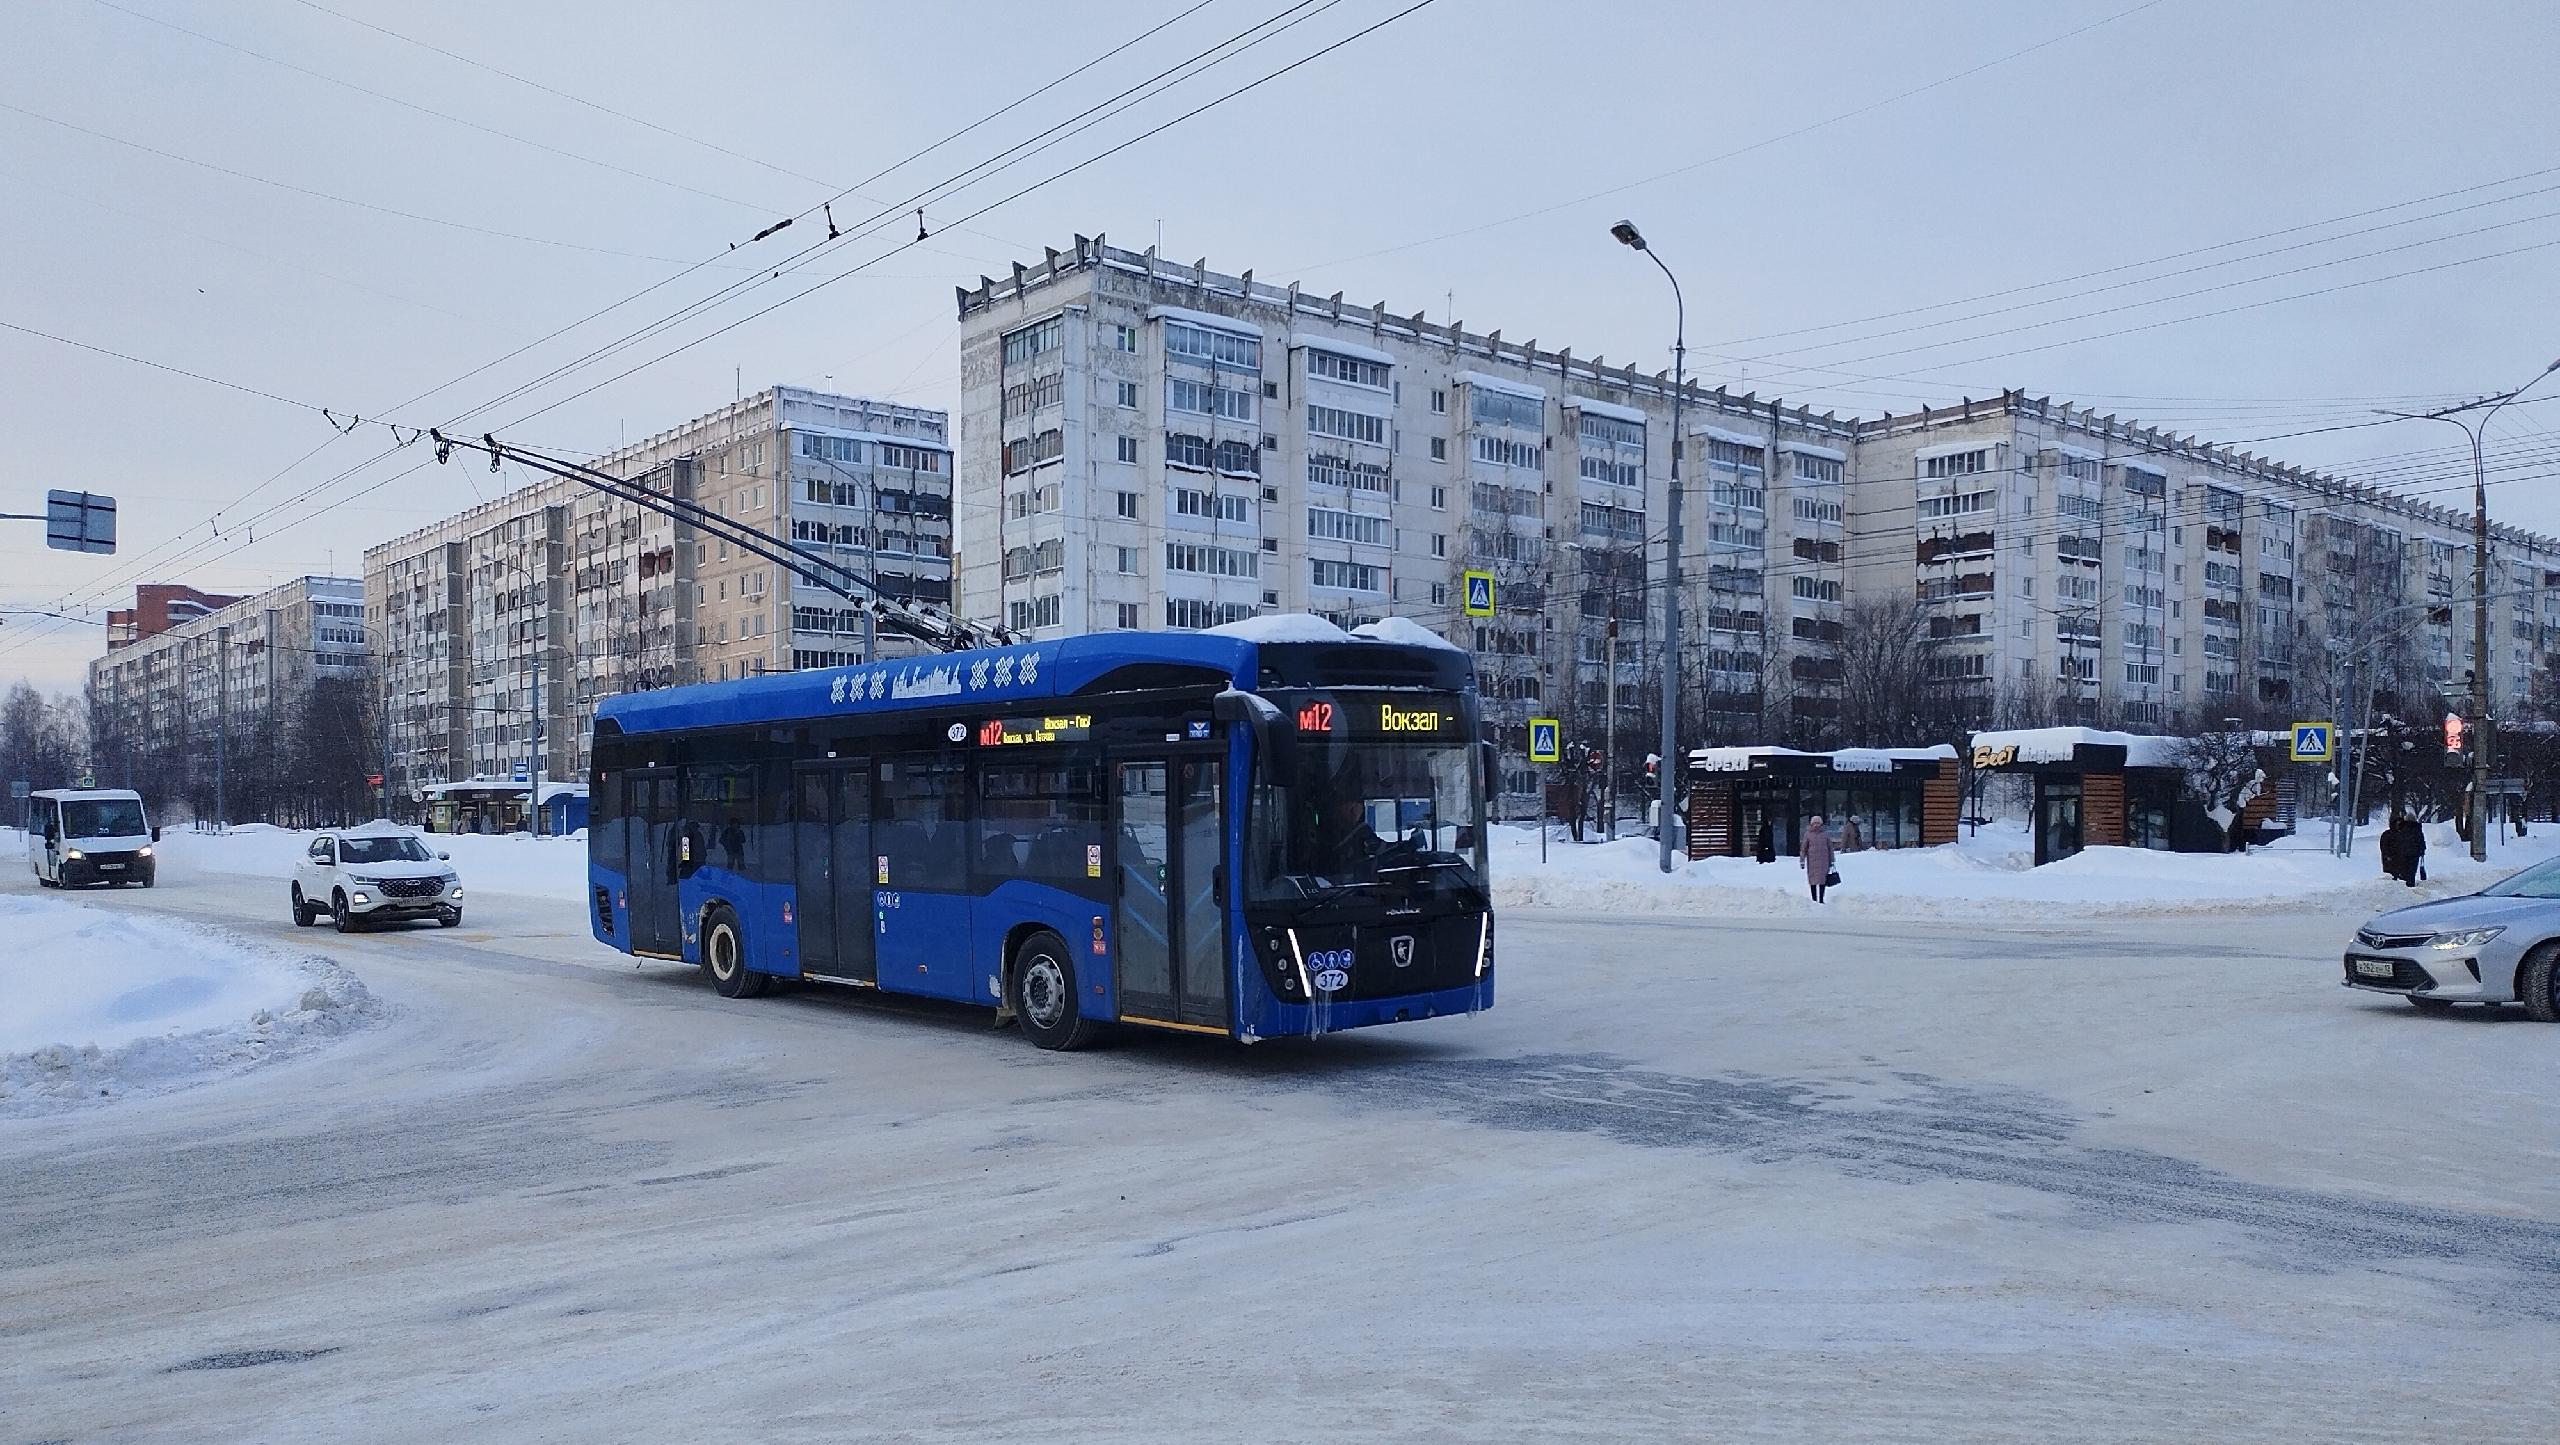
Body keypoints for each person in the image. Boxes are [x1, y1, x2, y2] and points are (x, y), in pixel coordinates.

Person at [1802, 814, 1835, 904]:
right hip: (1812, 861)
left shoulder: (1825, 834)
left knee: (1822, 880)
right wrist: (1802, 859)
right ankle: (1814, 899)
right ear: (1811, 824)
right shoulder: (1808, 834)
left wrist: (1832, 860)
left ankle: (1821, 899)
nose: (1816, 825)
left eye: (1818, 823)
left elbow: (1830, 847)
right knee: (1812, 880)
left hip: (1824, 861)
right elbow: (1804, 848)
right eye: (1814, 823)